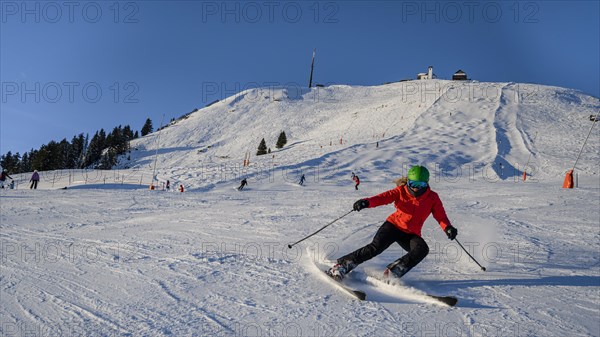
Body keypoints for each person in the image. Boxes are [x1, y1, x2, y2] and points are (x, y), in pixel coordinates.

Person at [327, 165, 458, 281]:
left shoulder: (432, 198)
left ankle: (393, 272)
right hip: (393, 226)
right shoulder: (401, 191)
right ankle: (342, 265)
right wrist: (366, 202)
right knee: (375, 247)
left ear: (427, 183)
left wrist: (448, 228)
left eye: (421, 185)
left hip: (411, 233)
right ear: (408, 182)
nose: (416, 188)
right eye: (413, 184)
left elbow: (440, 216)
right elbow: (382, 198)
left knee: (421, 249)